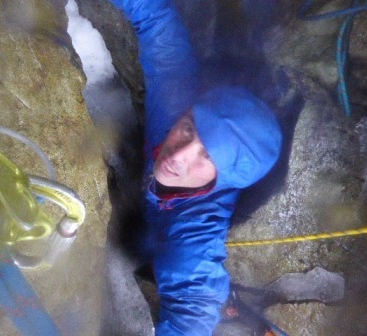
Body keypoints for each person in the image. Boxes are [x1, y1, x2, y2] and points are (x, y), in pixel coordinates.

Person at [109, 0, 282, 334]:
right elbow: (159, 21)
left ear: (223, 179)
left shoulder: (196, 240)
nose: (180, 154)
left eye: (207, 157)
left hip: (159, 237)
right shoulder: (176, 103)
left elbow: (194, 309)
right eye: (189, 129)